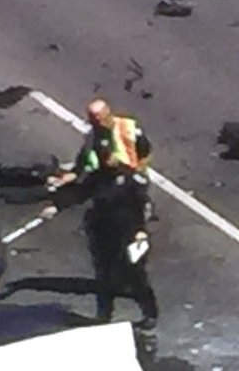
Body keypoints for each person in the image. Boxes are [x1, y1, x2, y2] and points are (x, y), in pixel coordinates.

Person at [44, 98, 158, 329]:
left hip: (127, 226)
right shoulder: (101, 176)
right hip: (104, 222)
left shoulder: (130, 180)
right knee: (103, 270)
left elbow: (137, 205)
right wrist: (57, 205)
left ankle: (150, 313)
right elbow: (84, 189)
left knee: (134, 271)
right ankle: (104, 315)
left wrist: (139, 231)